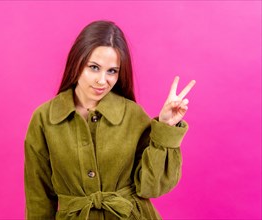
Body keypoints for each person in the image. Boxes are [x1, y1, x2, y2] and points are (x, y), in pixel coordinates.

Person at [24, 20, 196, 220]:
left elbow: (151, 187)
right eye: (94, 67)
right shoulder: (44, 119)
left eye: (112, 71)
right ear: (77, 62)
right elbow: (39, 197)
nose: (102, 80)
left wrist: (166, 128)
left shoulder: (132, 114)